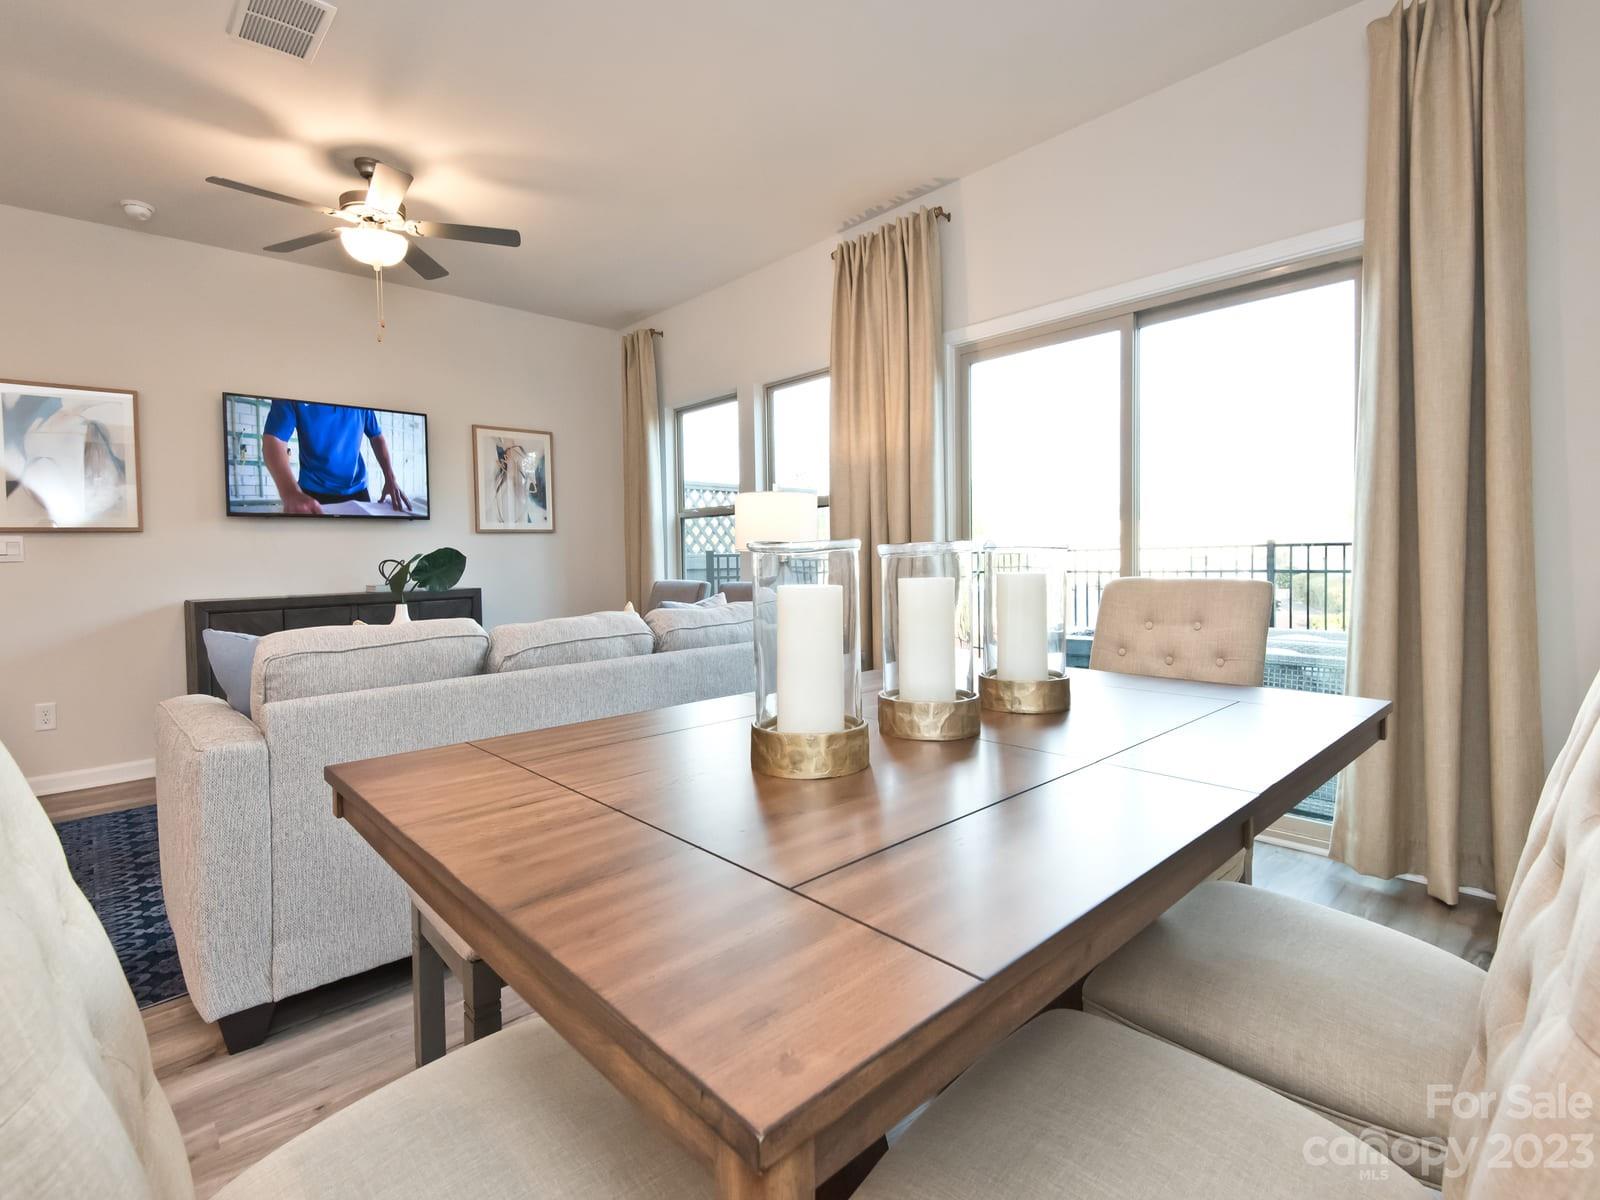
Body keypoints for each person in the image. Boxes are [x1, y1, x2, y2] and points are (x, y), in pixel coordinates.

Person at [261, 400, 411, 515]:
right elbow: (274, 439)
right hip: (313, 492)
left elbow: (377, 436)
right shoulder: (294, 388)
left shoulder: (361, 395)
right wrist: (289, 492)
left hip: (358, 490)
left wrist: (390, 478)